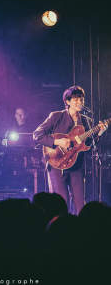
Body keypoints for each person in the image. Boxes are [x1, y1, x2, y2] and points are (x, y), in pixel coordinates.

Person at [33, 86, 108, 214]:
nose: (80, 102)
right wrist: (57, 141)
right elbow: (37, 134)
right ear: (67, 102)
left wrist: (99, 133)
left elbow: (88, 147)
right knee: (61, 202)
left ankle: (79, 230)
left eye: (81, 99)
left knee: (80, 203)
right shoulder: (56, 116)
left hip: (76, 166)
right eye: (76, 99)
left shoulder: (86, 121)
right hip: (57, 165)